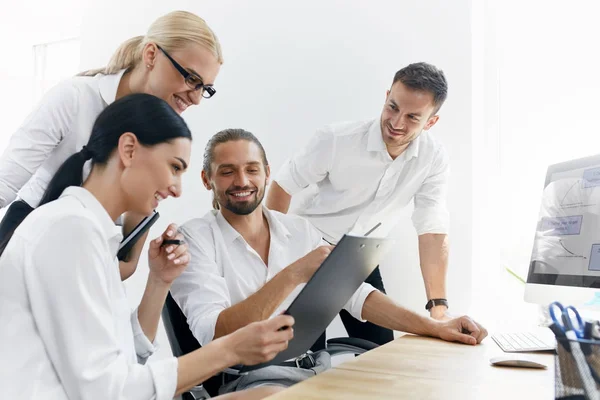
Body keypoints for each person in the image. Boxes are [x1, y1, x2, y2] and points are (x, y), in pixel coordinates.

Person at [0, 94, 293, 400]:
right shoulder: (69, 230)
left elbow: (130, 356)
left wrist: (159, 281)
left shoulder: (87, 229)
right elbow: (106, 390)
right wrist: (229, 349)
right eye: (175, 167)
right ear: (128, 150)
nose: (177, 189)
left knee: (270, 394)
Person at [170, 128, 488, 394]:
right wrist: (295, 273)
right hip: (248, 382)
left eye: (252, 169)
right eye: (227, 171)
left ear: (267, 173)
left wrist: (435, 326)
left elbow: (355, 294)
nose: (242, 181)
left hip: (313, 366)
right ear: (206, 178)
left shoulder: (299, 230)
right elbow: (215, 333)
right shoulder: (194, 239)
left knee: (415, 384)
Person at [0, 10, 222, 280]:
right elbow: (5, 184)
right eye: (191, 79)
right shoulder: (75, 97)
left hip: (87, 258)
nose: (196, 99)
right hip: (23, 238)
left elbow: (126, 263)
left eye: (205, 88)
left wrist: (152, 273)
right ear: (151, 55)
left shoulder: (161, 136)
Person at [266, 62, 453, 348]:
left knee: (380, 352)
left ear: (431, 122)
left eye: (413, 117)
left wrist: (438, 307)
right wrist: (272, 260)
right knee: (299, 355)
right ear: (387, 95)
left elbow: (432, 228)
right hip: (309, 250)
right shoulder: (336, 139)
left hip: (359, 256)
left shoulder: (433, 158)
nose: (397, 122)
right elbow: (283, 185)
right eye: (392, 107)